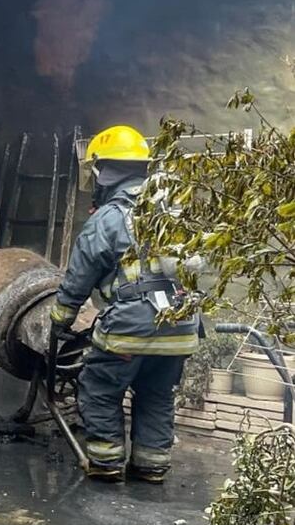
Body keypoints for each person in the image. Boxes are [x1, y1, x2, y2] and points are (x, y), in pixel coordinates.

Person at [49, 125, 198, 483]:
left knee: (100, 388)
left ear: (105, 172)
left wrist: (60, 320)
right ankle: (151, 467)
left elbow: (79, 278)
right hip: (180, 328)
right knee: (156, 394)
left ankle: (106, 463)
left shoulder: (109, 219)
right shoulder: (172, 212)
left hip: (132, 328)